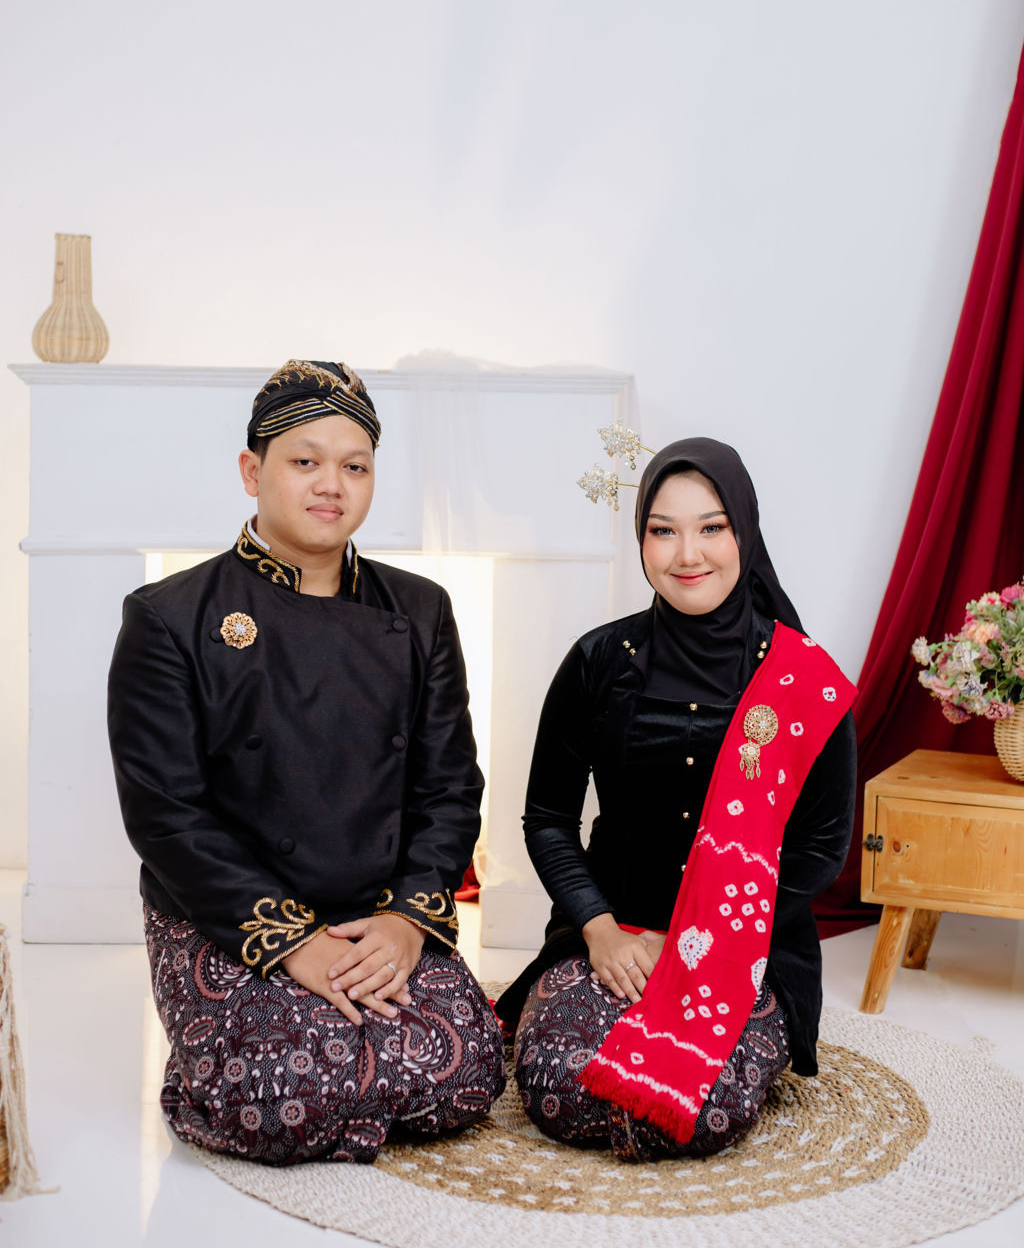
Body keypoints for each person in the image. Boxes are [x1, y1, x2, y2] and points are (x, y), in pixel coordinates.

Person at [108, 358, 505, 1165]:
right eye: (305, 461)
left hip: (373, 907)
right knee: (282, 1093)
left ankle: (347, 1093)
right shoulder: (169, 617)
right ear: (252, 472)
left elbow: (450, 788)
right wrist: (297, 945)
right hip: (226, 912)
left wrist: (404, 923)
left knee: (470, 1069)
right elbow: (167, 817)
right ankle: (272, 1085)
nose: (332, 485)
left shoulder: (421, 610)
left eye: (355, 467)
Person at [495, 438, 856, 1161]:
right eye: (663, 530)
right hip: (611, 937)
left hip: (744, 949)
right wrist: (600, 929)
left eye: (711, 527)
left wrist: (703, 938)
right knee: (558, 1084)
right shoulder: (598, 661)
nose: (687, 554)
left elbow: (822, 849)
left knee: (702, 1106)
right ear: (642, 540)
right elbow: (549, 819)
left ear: (744, 531)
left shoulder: (802, 679)